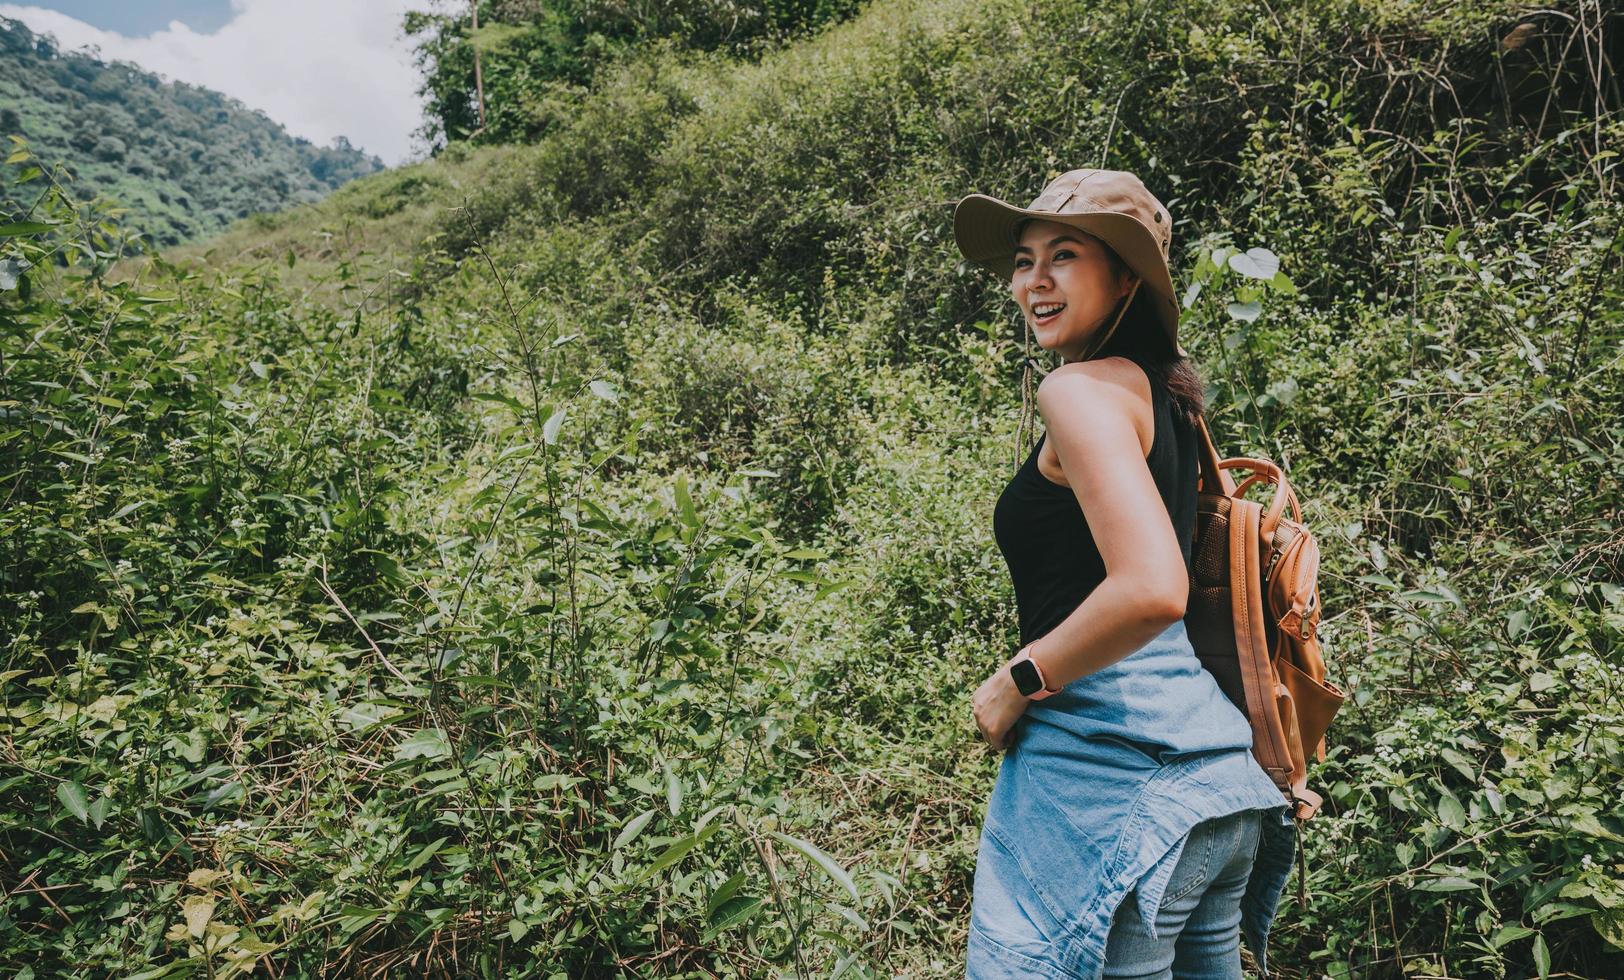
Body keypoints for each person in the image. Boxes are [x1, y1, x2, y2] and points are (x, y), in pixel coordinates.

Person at [952, 169, 1298, 979]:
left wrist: (1018, 679)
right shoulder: (1165, 395)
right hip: (1220, 785)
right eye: (1024, 259)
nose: (1033, 281)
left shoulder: (1077, 392)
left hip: (1115, 780)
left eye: (1064, 255)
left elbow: (1150, 588)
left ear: (1127, 278)